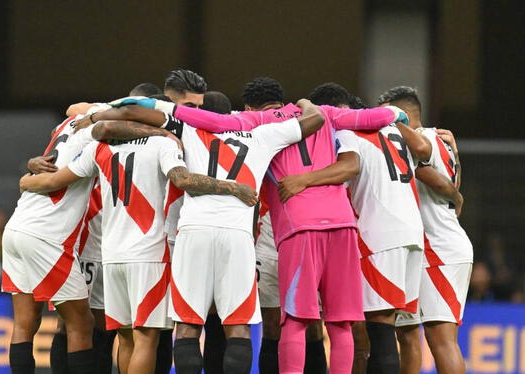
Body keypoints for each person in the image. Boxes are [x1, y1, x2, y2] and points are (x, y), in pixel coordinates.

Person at [132, 76, 408, 374]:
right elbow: (373, 117)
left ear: (249, 105)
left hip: (296, 226)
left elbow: (206, 119)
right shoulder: (325, 115)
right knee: (340, 323)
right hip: (342, 223)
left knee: (294, 321)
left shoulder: (259, 123)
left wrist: (142, 105)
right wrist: (400, 114)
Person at [76, 94, 327, 374]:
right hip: (237, 234)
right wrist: (304, 102)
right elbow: (316, 120)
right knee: (238, 327)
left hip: (193, 232)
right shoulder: (262, 134)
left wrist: (98, 115)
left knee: (187, 327)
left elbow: (129, 114)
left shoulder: (188, 128)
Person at [19, 116, 258, 374]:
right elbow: (182, 179)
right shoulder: (163, 144)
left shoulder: (100, 147)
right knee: (146, 339)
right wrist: (232, 187)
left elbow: (54, 179)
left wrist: (25, 179)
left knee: (125, 338)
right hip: (149, 254)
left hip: (110, 254)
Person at [2, 111, 176, 374]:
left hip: (16, 227)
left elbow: (75, 108)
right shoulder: (95, 138)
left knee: (25, 323)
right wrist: (162, 132)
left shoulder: (67, 125)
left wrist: (26, 176)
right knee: (82, 323)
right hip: (47, 236)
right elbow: (106, 125)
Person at [279, 83, 430, 374]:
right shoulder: (393, 131)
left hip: (381, 235)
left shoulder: (347, 132)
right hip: (413, 233)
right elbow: (423, 151)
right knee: (402, 330)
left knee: (380, 330)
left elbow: (350, 167)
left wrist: (303, 180)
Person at [382, 87, 472, 374]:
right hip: (417, 250)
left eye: (389, 114)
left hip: (440, 249)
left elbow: (422, 153)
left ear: (405, 115)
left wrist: (390, 121)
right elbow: (449, 184)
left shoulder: (430, 136)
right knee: (406, 335)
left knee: (441, 339)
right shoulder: (444, 142)